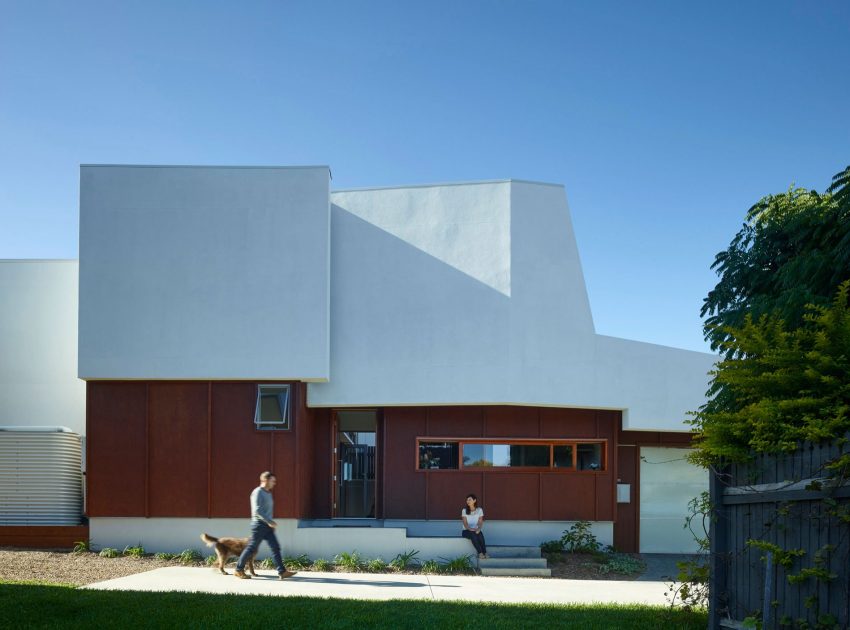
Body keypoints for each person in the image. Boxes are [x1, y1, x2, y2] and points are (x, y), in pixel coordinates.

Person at [235, 471, 296, 580]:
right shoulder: (257, 492)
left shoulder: (268, 493)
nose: (274, 483)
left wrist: (269, 522)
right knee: (251, 548)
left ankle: (282, 572)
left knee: (275, 547)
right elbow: (257, 510)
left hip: (267, 526)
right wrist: (269, 521)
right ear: (265, 480)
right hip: (258, 524)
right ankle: (239, 569)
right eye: (272, 481)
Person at [461, 493, 488, 558]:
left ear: (474, 500)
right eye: (467, 500)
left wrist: (479, 529)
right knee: (473, 534)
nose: (468, 501)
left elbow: (480, 522)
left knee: (480, 534)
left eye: (469, 500)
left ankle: (485, 552)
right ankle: (480, 553)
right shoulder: (464, 510)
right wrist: (471, 529)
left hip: (475, 530)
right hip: (466, 531)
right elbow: (465, 523)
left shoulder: (479, 510)